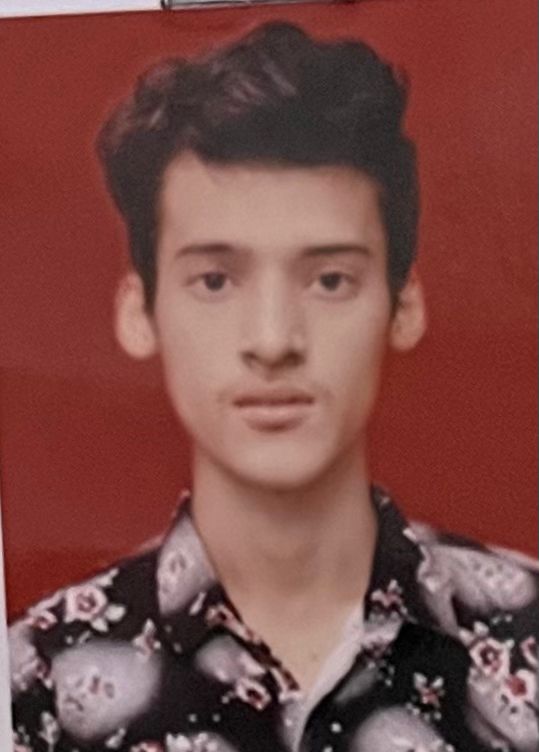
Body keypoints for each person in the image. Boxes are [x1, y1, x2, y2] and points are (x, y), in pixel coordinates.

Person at [8, 21, 538, 752]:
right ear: (140, 312)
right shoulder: (34, 680)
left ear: (403, 304)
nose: (273, 341)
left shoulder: (527, 638)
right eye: (215, 280)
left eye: (329, 280)